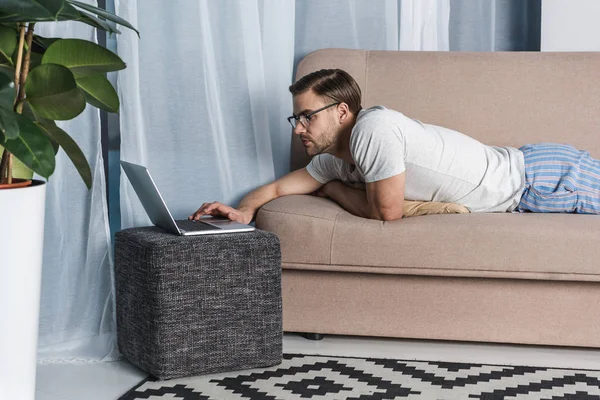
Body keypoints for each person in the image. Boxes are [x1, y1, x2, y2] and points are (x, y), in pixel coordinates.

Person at [189, 69, 600, 223]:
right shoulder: (335, 158)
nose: (298, 129)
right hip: (531, 175)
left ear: (342, 111)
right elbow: (278, 189)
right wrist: (243, 211)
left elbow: (386, 213)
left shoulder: (374, 130)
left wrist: (332, 192)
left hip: (541, 179)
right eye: (295, 118)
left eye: (307, 116)